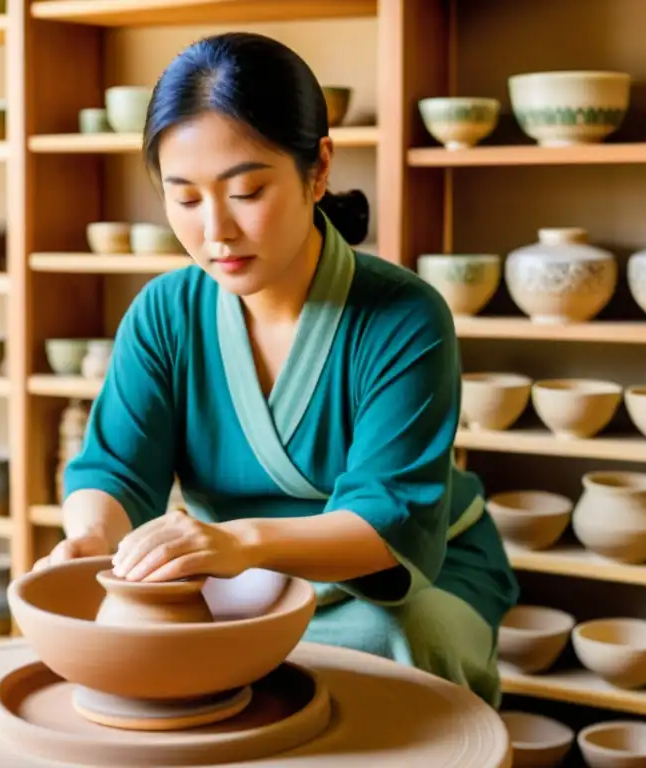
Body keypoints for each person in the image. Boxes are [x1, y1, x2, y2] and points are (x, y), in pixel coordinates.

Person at [37, 30, 519, 709]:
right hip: (234, 576)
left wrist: (239, 543)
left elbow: (387, 519)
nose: (215, 232)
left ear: (318, 168)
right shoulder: (165, 314)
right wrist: (88, 538)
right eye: (185, 197)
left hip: (402, 576)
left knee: (385, 646)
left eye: (247, 190)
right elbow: (115, 470)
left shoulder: (404, 317)